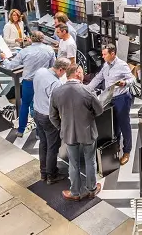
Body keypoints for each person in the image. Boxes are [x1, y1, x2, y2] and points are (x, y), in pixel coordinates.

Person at [50, 64, 104, 200]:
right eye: (82, 72)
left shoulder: (56, 92)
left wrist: (61, 127)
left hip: (68, 134)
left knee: (73, 164)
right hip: (87, 133)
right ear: (78, 73)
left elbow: (52, 116)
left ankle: (75, 193)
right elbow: (99, 111)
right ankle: (91, 189)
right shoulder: (87, 90)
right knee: (90, 161)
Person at [88, 44, 137, 165]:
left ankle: (127, 151)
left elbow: (133, 79)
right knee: (114, 125)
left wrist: (124, 83)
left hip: (122, 98)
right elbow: (98, 78)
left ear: (112, 54)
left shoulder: (122, 65)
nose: (102, 56)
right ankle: (116, 147)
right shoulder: (106, 65)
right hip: (110, 98)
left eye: (105, 54)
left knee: (124, 124)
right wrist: (86, 89)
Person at [3, 31, 56, 137]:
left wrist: (4, 59)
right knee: (40, 107)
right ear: (42, 39)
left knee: (25, 105)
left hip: (28, 83)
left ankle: (21, 130)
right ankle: (38, 133)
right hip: (42, 83)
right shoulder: (49, 50)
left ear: (31, 39)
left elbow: (11, 66)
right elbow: (53, 66)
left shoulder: (25, 51)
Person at [33, 58, 70, 184]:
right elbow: (57, 105)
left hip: (37, 113)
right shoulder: (55, 83)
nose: (64, 75)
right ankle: (51, 175)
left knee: (43, 143)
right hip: (48, 118)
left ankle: (43, 172)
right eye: (65, 72)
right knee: (52, 147)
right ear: (61, 69)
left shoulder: (40, 71)